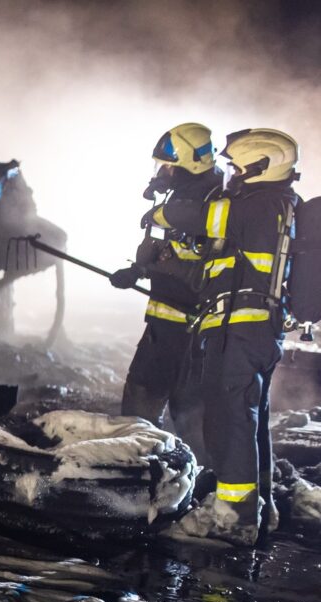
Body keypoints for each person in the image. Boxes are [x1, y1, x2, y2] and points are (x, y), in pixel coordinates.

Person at [151, 128, 301, 545]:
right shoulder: (280, 205)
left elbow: (199, 217)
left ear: (261, 165)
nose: (231, 174)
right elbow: (216, 268)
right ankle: (257, 505)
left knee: (229, 419)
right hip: (257, 329)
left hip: (241, 327)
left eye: (237, 167)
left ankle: (232, 518)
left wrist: (162, 214)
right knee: (251, 422)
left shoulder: (260, 204)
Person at [109, 122, 223, 458]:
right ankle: (144, 476)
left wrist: (160, 264)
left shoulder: (213, 204)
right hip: (165, 324)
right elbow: (172, 250)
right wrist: (139, 270)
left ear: (190, 164)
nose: (161, 171)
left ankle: (193, 484)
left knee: (184, 416)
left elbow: (209, 270)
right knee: (144, 411)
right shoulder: (186, 194)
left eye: (168, 166)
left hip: (189, 331)